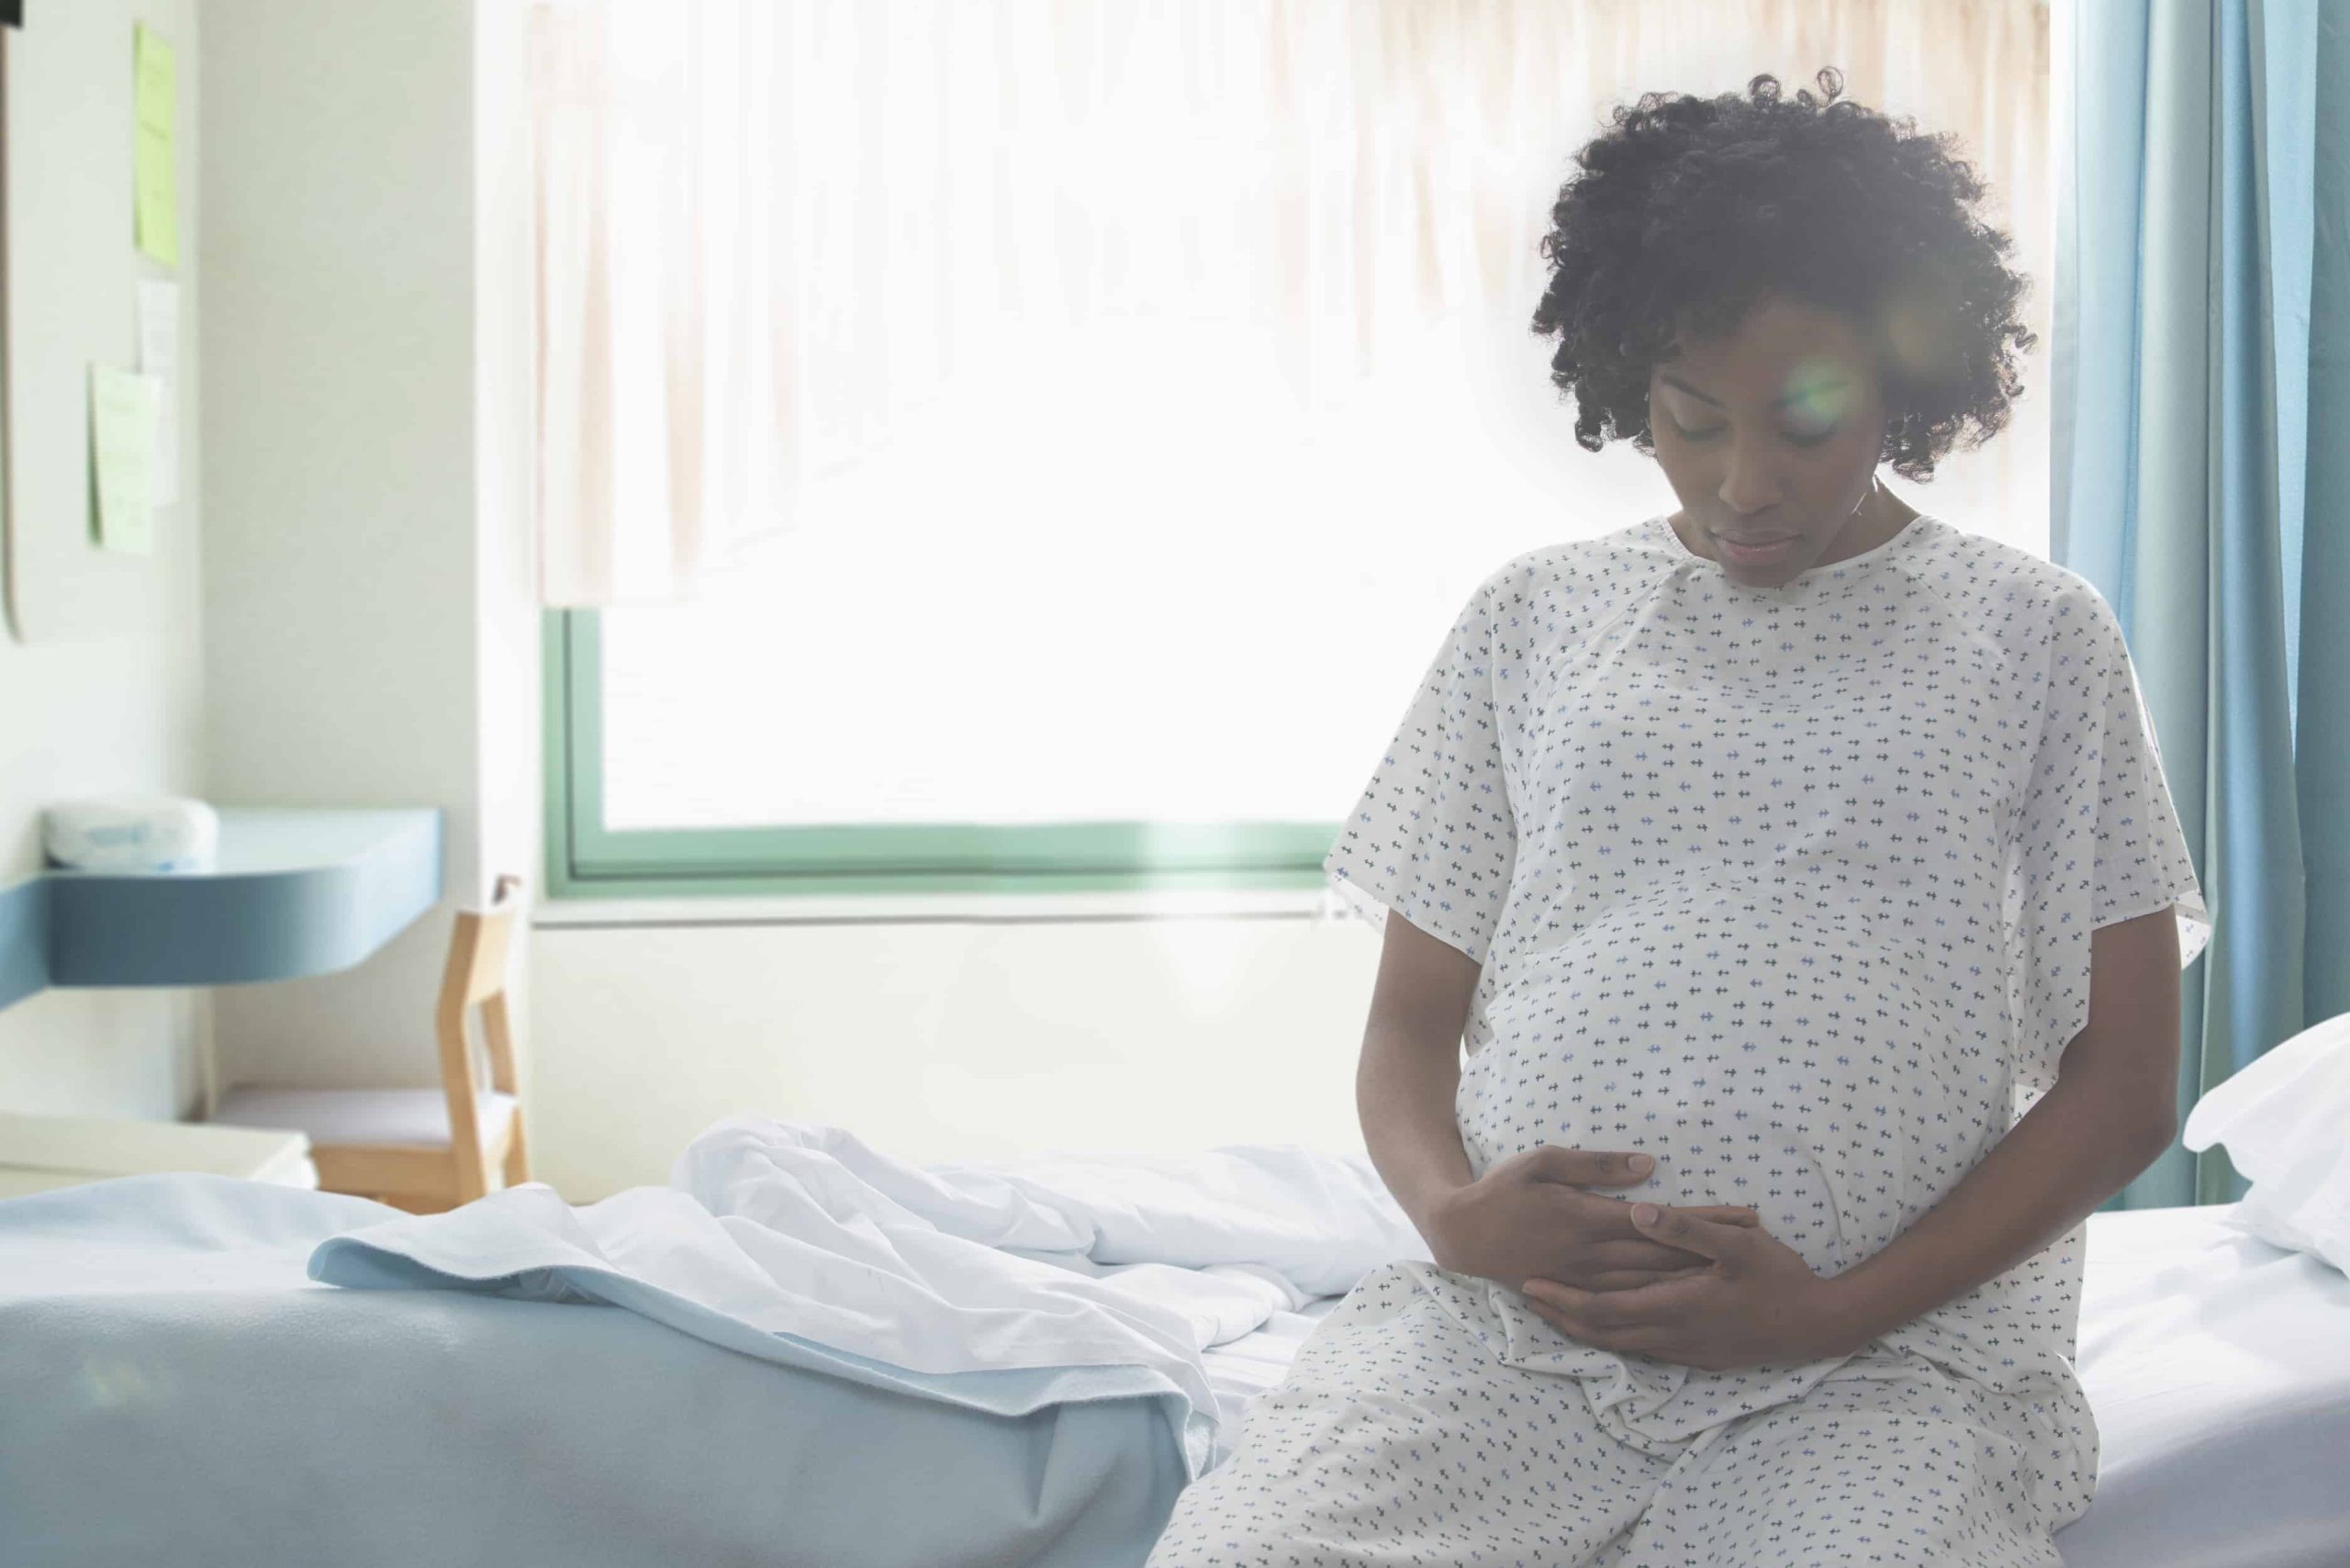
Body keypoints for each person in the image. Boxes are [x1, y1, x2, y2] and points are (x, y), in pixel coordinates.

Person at [1144, 67, 2211, 1567]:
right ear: (1626, 381)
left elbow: (2125, 1089)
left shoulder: (2034, 636)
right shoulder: (1535, 621)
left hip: (1878, 1373)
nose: (1743, 486)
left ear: (1906, 382)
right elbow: (1409, 1029)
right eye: (1692, 422)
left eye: (1803, 424)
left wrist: (1832, 1308)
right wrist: (1452, 1217)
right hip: (1501, 1351)